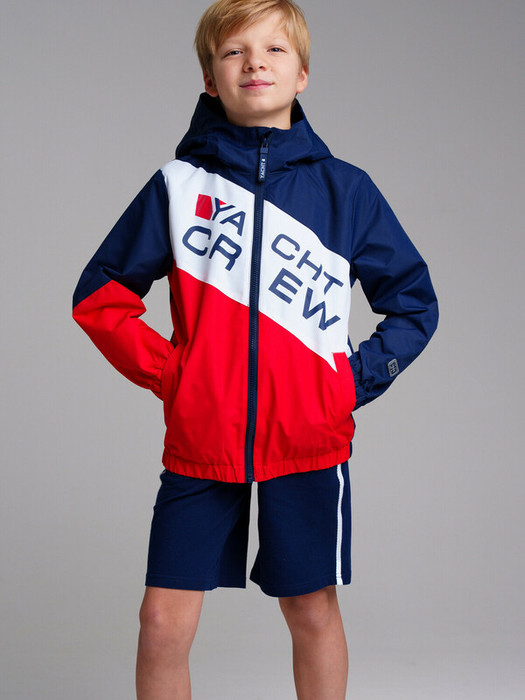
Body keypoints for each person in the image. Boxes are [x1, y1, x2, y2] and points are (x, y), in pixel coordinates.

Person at [72, 0, 438, 697]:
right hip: (201, 439)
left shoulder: (346, 190)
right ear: (210, 79)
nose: (254, 63)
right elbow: (101, 296)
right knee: (160, 621)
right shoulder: (178, 187)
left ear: (302, 75)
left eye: (273, 50)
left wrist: (348, 382)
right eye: (234, 51)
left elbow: (414, 303)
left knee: (310, 608)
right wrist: (173, 373)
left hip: (308, 440)